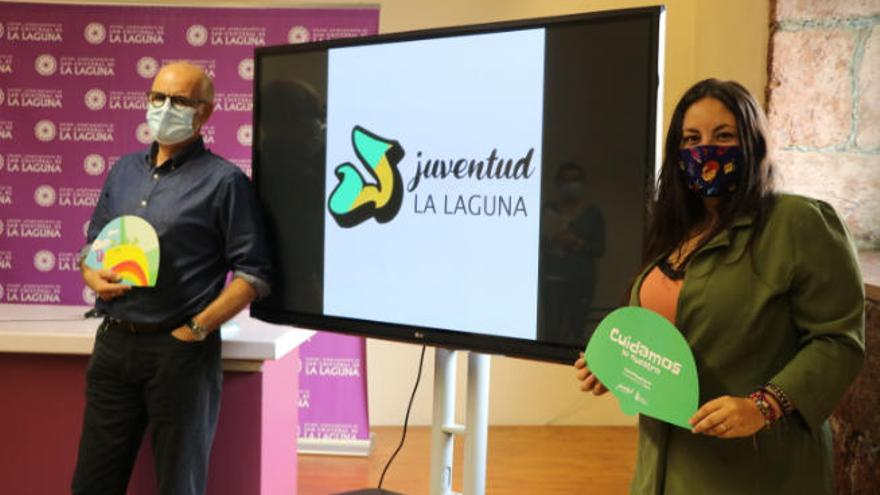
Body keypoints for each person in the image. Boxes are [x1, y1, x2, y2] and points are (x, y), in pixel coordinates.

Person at [574, 79, 864, 494]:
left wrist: (762, 406)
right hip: (662, 468)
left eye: (723, 135)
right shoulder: (675, 230)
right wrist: (615, 366)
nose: (704, 150)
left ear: (752, 142)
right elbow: (665, 336)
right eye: (691, 139)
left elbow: (838, 341)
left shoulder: (798, 222)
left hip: (754, 469)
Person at [72, 62, 271, 495]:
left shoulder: (225, 182)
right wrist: (91, 273)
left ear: (206, 112)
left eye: (180, 101)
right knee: (92, 483)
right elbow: (92, 245)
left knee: (179, 485)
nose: (165, 108)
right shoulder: (123, 170)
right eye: (157, 98)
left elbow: (254, 274)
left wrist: (196, 329)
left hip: (179, 354)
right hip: (113, 344)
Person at [539, 161, 605, 345]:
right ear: (558, 183)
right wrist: (553, 240)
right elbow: (536, 245)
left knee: (576, 331)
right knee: (552, 331)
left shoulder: (592, 213)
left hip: (581, 281)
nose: (571, 185)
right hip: (552, 280)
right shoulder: (547, 210)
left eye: (575, 180)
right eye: (566, 180)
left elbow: (600, 248)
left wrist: (577, 243)